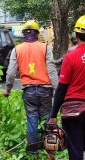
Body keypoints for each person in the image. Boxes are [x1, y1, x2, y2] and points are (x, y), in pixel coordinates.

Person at [3, 20, 58, 159]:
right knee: (47, 120)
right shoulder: (45, 48)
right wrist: (57, 91)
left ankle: (33, 153)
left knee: (32, 120)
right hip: (45, 90)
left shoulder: (17, 49)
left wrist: (8, 89)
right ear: (37, 34)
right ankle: (49, 150)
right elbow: (51, 70)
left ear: (23, 34)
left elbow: (10, 72)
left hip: (29, 91)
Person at [49, 15, 85, 160]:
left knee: (75, 150)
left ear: (76, 35)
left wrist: (53, 115)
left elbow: (62, 88)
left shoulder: (70, 57)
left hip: (73, 112)